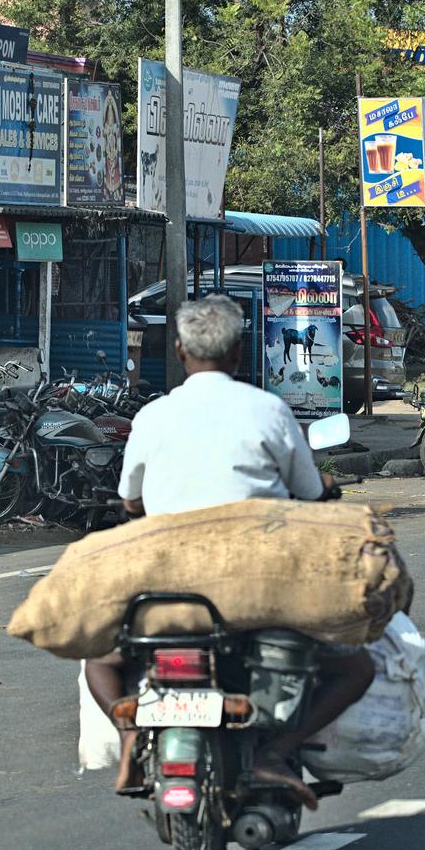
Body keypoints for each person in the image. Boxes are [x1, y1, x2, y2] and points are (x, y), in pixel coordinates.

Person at [85, 295, 374, 807]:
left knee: (100, 660)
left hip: (168, 589)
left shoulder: (152, 417)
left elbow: (131, 498)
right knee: (356, 666)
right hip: (257, 588)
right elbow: (309, 493)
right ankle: (275, 751)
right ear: (239, 354)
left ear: (179, 351)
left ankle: (132, 739)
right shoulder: (269, 410)